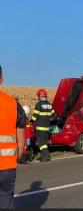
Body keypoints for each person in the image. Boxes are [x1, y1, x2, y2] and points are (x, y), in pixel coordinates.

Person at [0, 65, 26, 209]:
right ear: (1, 79)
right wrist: (16, 156)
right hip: (7, 167)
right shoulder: (14, 105)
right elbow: (21, 147)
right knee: (5, 200)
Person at [31, 89, 55, 162]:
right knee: (44, 142)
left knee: (41, 143)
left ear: (40, 96)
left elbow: (35, 115)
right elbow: (53, 116)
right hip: (47, 128)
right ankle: (42, 156)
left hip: (40, 128)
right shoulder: (50, 105)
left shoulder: (39, 104)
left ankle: (46, 156)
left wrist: (31, 122)